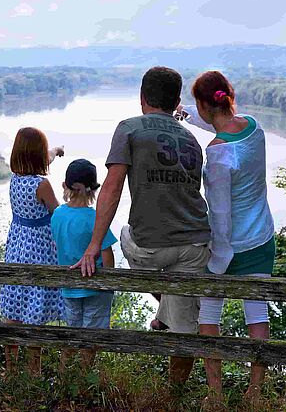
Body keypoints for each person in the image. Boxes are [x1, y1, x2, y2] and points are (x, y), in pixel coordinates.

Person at [72, 66, 212, 386]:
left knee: (124, 235)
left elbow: (112, 187)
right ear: (176, 101)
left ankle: (165, 310)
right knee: (184, 329)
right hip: (196, 244)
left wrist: (94, 246)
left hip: (149, 248)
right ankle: (173, 393)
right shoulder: (191, 139)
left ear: (141, 97)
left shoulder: (129, 129)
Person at [177, 70, 275, 406]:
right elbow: (222, 125)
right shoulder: (254, 127)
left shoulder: (217, 155)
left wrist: (218, 261)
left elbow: (220, 217)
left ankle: (215, 394)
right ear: (228, 95)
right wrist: (187, 115)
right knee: (257, 315)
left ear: (205, 105)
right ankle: (256, 393)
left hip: (229, 247)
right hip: (261, 239)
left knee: (209, 316)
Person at [0, 126, 65, 376]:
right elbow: (56, 213)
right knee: (34, 308)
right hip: (39, 248)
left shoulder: (15, 179)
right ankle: (33, 370)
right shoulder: (43, 185)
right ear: (38, 156)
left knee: (15, 305)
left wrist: (55, 151)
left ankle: (11, 369)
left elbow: (43, 159)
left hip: (17, 245)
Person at [51, 158, 117, 371]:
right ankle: (83, 377)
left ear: (66, 186)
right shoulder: (96, 218)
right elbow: (106, 255)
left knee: (73, 334)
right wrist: (110, 284)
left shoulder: (58, 214)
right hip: (94, 288)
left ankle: (64, 375)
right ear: (93, 190)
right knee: (91, 337)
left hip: (69, 289)